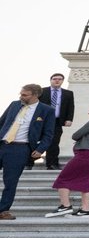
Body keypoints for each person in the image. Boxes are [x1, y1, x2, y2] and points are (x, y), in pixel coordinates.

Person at [46, 103, 89, 218]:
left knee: (63, 178)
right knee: (88, 182)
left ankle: (65, 206)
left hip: (86, 154)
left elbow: (75, 135)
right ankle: (85, 210)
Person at [0, 84, 55, 220]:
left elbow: (48, 133)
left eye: (25, 95)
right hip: (2, 144)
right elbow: (2, 122)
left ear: (35, 95)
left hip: (19, 149)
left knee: (10, 181)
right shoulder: (14, 105)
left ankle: (3, 210)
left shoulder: (46, 110)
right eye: (21, 94)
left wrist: (40, 149)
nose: (21, 97)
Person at [37, 72, 74, 170]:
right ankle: (29, 162)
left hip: (56, 122)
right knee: (36, 140)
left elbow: (71, 107)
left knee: (54, 143)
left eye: (60, 79)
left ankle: (52, 164)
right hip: (41, 121)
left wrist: (69, 119)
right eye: (55, 79)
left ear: (62, 81)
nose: (57, 81)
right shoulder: (42, 91)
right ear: (51, 80)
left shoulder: (68, 93)